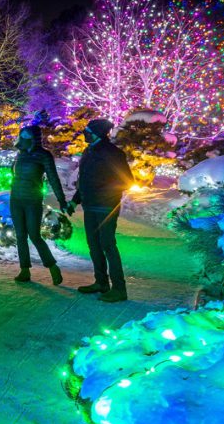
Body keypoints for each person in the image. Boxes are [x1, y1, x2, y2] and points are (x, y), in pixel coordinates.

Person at [63, 119, 135, 303]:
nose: (84, 133)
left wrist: (102, 193)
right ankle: (101, 282)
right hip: (90, 205)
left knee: (108, 245)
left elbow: (127, 180)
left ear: (96, 133)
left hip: (106, 207)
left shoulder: (112, 153)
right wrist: (74, 202)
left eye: (87, 130)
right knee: (94, 245)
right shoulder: (89, 151)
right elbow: (84, 180)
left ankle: (119, 289)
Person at [9, 125, 67, 285]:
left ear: (34, 138)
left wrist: (62, 200)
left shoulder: (44, 155)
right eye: (22, 136)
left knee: (34, 235)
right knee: (20, 236)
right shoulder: (19, 154)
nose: (23, 140)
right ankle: (24, 270)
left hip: (32, 200)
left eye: (27, 137)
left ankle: (52, 266)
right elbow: (14, 174)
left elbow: (54, 178)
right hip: (16, 199)